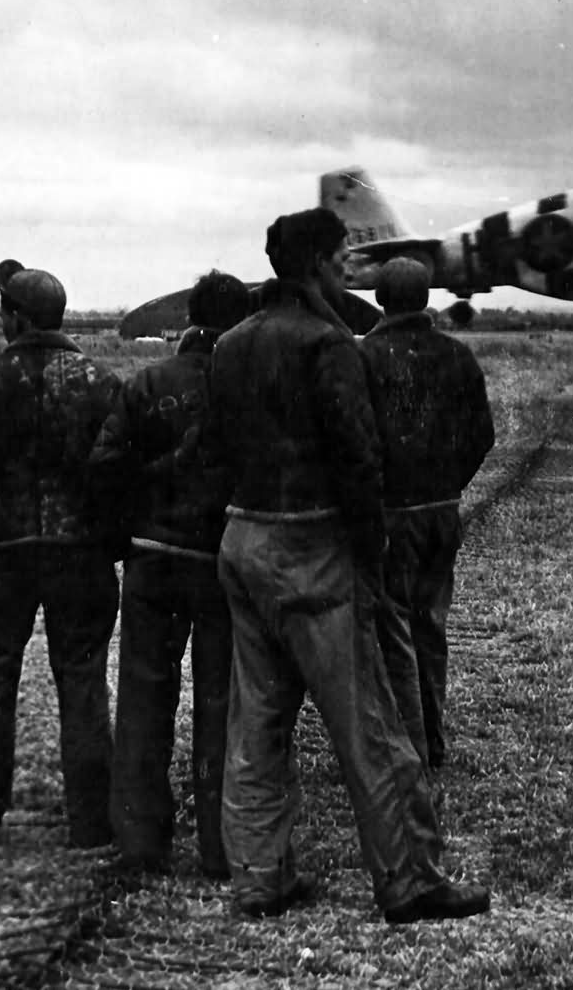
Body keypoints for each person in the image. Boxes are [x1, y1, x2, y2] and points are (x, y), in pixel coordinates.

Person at [206, 209, 489, 924]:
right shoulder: (331, 345)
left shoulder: (232, 344)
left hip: (243, 541)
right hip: (314, 551)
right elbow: (358, 460)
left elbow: (216, 451)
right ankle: (411, 878)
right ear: (322, 264)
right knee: (371, 726)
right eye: (339, 258)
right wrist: (369, 549)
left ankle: (259, 876)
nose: (344, 269)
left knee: (258, 725)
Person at [0, 260, 122, 852]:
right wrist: (102, 538)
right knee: (83, 683)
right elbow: (121, 476)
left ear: (14, 318)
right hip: (80, 558)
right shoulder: (101, 384)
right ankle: (91, 824)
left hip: (5, 556)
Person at [90, 271, 251, 875]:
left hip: (153, 559)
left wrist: (130, 527)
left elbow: (105, 467)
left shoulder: (146, 382)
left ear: (191, 316)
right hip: (221, 563)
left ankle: (140, 841)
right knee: (221, 703)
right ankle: (219, 845)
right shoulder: (249, 389)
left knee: (143, 698)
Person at [357, 258, 495, 772]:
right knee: (429, 627)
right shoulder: (457, 355)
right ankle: (430, 740)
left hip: (390, 515)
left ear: (379, 299)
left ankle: (406, 746)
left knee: (390, 631)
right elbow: (482, 435)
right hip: (441, 512)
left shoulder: (364, 356)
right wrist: (448, 486)